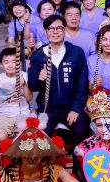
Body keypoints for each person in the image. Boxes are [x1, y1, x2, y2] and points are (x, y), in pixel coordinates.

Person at [27, 14, 90, 147]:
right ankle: (49, 167)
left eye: (59, 28)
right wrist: (39, 78)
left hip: (71, 106)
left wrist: (77, 108)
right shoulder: (38, 55)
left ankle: (78, 167)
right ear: (46, 31)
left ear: (64, 30)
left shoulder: (76, 52)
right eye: (51, 28)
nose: (55, 32)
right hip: (47, 108)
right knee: (41, 138)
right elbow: (32, 86)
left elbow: (82, 83)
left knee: (82, 129)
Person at [0, 47, 32, 142]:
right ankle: (6, 154)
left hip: (22, 113)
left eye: (14, 61)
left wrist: (24, 84)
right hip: (4, 114)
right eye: (6, 62)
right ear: (1, 65)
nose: (10, 65)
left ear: (19, 63)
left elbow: (29, 98)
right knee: (1, 135)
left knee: (25, 137)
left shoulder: (24, 76)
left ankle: (17, 154)